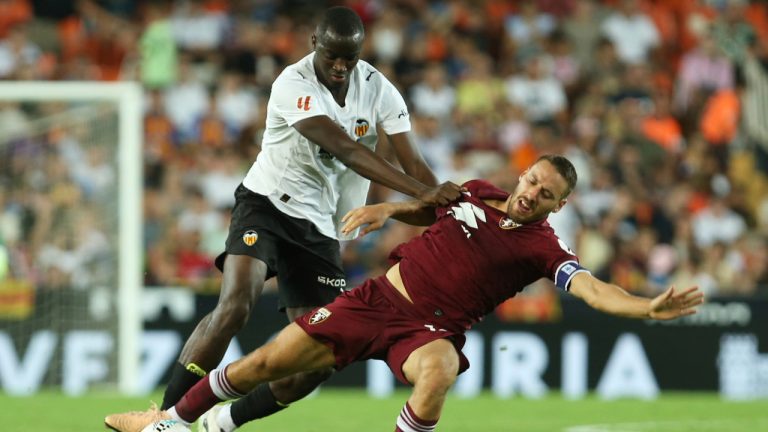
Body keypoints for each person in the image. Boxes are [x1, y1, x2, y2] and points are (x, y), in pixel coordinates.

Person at [105, 155, 704, 432]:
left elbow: (594, 291)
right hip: (374, 302)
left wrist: (647, 306)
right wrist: (386, 208)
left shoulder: (544, 248)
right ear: (522, 175)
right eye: (532, 181)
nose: (531, 195)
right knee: (267, 366)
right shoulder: (474, 191)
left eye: (546, 195)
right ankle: (173, 426)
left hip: (428, 333)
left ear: (559, 206)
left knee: (440, 370)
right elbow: (426, 210)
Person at [131, 6, 464, 432]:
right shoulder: (293, 83)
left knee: (320, 358)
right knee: (236, 304)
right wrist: (423, 193)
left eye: (350, 58)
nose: (341, 67)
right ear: (315, 46)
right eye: (333, 58)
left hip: (321, 225)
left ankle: (226, 420)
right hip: (267, 203)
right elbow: (348, 150)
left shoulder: (380, 90)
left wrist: (450, 210)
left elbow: (415, 164)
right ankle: (164, 419)